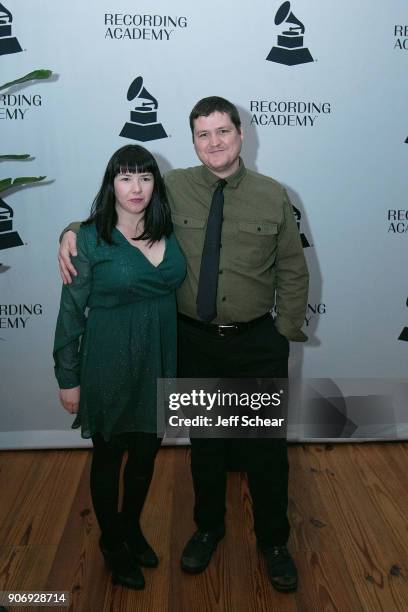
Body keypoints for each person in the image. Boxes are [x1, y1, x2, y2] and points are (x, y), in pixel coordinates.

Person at [58, 96, 309, 593]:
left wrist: (281, 331)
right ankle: (208, 527)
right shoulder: (170, 187)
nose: (214, 142)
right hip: (192, 340)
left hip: (255, 341)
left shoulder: (273, 194)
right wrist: (68, 233)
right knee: (206, 447)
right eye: (203, 134)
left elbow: (292, 269)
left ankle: (274, 542)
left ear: (242, 135)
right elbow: (115, 211)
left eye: (223, 132)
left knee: (264, 450)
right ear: (192, 140)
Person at [53, 144, 186, 590]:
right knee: (109, 458)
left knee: (146, 456)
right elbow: (71, 313)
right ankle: (112, 542)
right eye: (126, 177)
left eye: (145, 177)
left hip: (159, 360)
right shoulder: (88, 238)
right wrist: (67, 378)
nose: (136, 187)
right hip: (108, 362)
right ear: (111, 184)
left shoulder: (171, 227)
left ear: (155, 183)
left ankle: (130, 527)